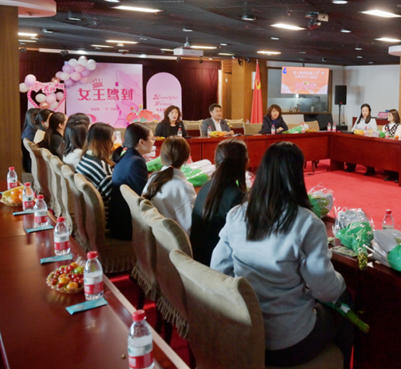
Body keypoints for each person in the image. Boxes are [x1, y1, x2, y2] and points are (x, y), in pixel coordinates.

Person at [211, 142, 352, 368]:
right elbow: (325, 290)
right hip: (288, 343)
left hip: (247, 334)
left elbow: (217, 268)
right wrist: (341, 282)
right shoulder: (307, 222)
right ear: (297, 176)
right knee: (345, 304)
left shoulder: (237, 214)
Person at [190, 138, 248, 265]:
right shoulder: (237, 197)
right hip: (216, 267)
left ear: (215, 161)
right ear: (245, 163)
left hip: (197, 263)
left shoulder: (206, 186)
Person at [143, 136, 196, 234]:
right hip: (173, 239)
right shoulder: (183, 187)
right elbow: (190, 228)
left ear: (161, 156)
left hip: (155, 235)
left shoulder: (153, 177)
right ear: (187, 157)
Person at [110, 123, 154, 240]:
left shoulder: (126, 156)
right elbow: (144, 195)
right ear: (141, 142)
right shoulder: (137, 162)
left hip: (118, 222)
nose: (153, 142)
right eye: (151, 139)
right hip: (128, 225)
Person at [76, 123, 115, 225]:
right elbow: (116, 201)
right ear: (105, 143)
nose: (113, 143)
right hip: (106, 221)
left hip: (88, 217)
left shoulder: (85, 158)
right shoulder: (103, 170)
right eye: (112, 140)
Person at [347, 104, 377, 176]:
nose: (364, 112)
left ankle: (370, 169)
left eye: (366, 111)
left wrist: (366, 131)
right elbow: (353, 128)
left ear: (369, 111)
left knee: (367, 152)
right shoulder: (358, 119)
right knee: (351, 149)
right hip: (357, 139)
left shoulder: (372, 120)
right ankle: (351, 166)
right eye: (363, 111)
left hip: (367, 141)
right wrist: (356, 130)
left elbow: (375, 131)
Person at [382, 109, 401, 182]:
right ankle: (389, 174)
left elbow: (398, 136)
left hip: (395, 146)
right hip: (387, 146)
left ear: (394, 116)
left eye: (389, 115)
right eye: (388, 115)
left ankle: (396, 175)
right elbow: (382, 135)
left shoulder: (398, 126)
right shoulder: (385, 126)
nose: (388, 117)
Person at [21, 108, 40, 173]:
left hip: (30, 164)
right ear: (33, 119)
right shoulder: (30, 133)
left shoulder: (29, 129)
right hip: (32, 166)